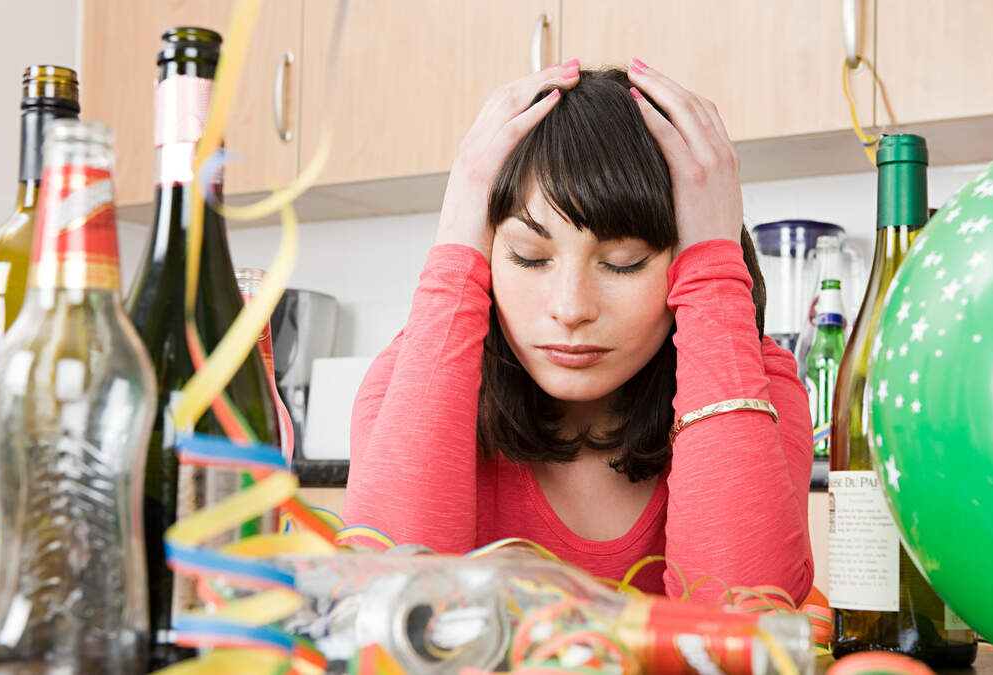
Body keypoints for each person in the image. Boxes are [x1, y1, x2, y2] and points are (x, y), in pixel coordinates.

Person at [344, 58, 813, 604]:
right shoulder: (407, 381)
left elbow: (742, 624)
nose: (570, 309)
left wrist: (714, 270)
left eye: (624, 262)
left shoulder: (757, 387)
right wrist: (455, 242)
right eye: (528, 256)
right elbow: (386, 614)